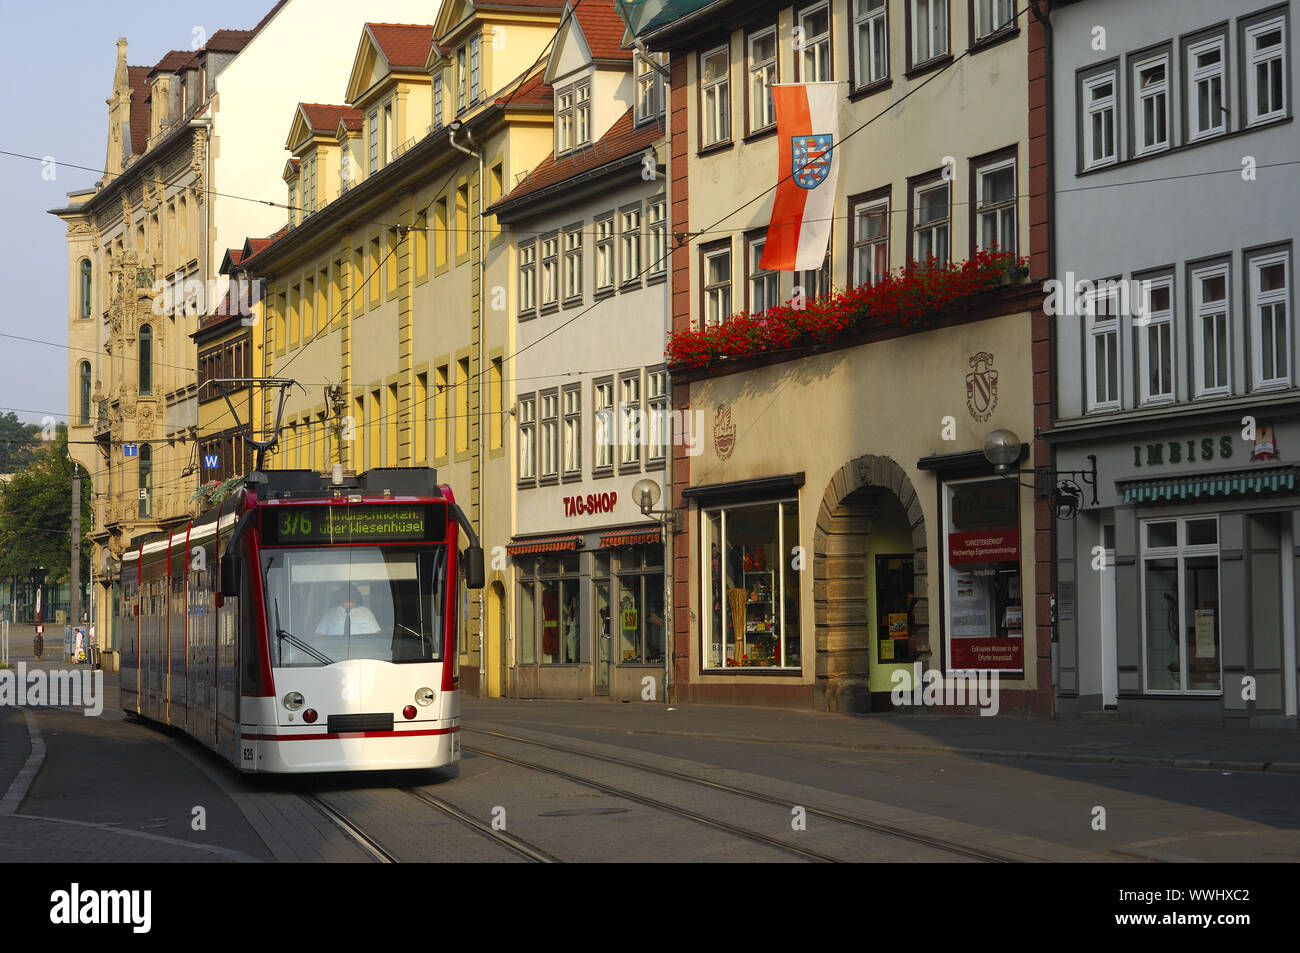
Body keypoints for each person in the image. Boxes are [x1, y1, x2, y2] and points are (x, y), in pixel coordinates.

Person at [315, 584, 382, 638]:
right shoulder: (329, 614)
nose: (349, 598)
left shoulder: (366, 612)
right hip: (334, 651)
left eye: (352, 596)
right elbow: (319, 635)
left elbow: (377, 635)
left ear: (356, 597)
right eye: (345, 596)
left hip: (362, 650)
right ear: (339, 597)